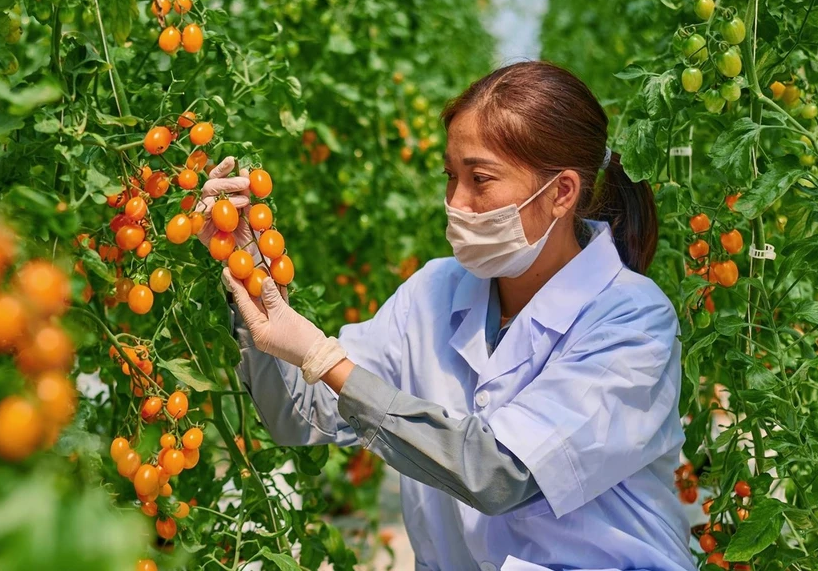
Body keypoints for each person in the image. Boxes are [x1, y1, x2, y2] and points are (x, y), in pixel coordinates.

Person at [198, 61, 693, 571]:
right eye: (451, 176)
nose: (456, 202)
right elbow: (297, 416)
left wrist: (323, 358)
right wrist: (252, 282)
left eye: (480, 179)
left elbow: (500, 472)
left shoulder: (630, 320)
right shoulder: (434, 291)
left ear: (561, 193)